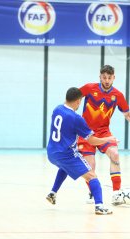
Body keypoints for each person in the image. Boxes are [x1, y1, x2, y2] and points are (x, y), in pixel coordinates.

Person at [78, 65, 130, 205]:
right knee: (90, 166)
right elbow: (73, 98)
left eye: (109, 78)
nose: (106, 80)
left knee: (115, 154)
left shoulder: (117, 95)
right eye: (104, 77)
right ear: (100, 77)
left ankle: (116, 193)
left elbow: (127, 114)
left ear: (113, 78)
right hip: (85, 133)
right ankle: (93, 192)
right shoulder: (89, 88)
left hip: (104, 132)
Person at [46, 87, 119, 215]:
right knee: (92, 176)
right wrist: (108, 139)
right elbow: (91, 141)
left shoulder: (57, 109)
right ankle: (99, 206)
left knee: (64, 167)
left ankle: (52, 193)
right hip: (66, 154)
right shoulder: (76, 118)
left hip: (51, 153)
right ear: (78, 101)